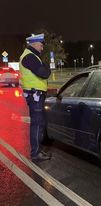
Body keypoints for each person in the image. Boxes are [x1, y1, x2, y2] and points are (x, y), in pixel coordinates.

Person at [19, 33, 52, 161]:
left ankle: (37, 150)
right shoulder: (29, 57)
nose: (42, 48)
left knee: (39, 123)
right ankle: (35, 153)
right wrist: (47, 68)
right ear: (33, 43)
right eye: (40, 45)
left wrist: (45, 68)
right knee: (37, 124)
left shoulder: (32, 56)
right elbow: (43, 73)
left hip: (35, 95)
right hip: (35, 96)